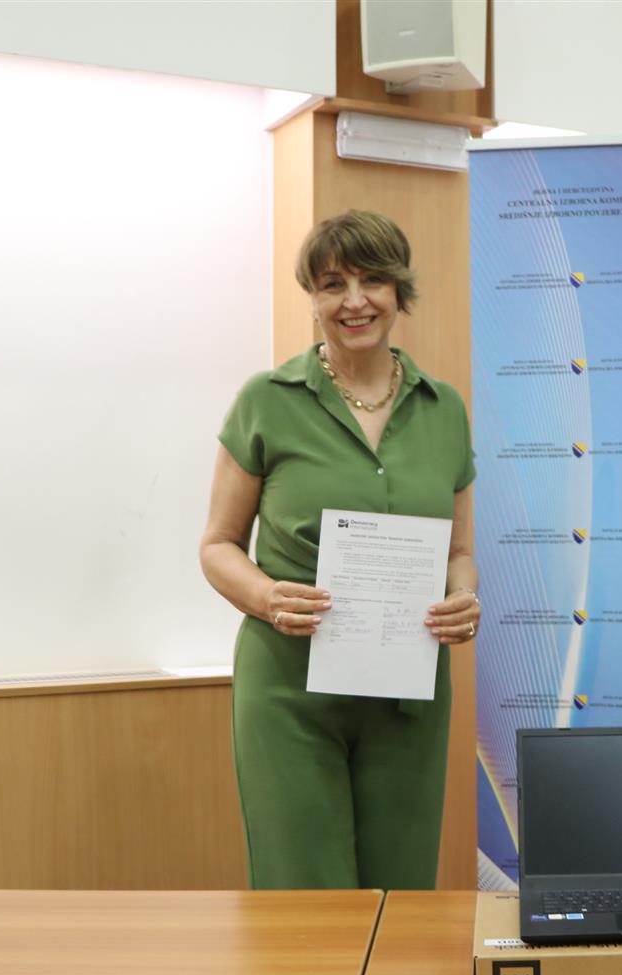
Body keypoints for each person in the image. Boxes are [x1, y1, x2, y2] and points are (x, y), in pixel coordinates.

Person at [199, 210, 478, 889]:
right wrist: (266, 597)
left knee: (400, 895)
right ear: (313, 299)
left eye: (371, 280)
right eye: (332, 285)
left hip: (407, 689)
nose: (354, 301)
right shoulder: (267, 400)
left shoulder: (444, 409)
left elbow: (459, 550)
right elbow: (218, 546)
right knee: (304, 897)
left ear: (398, 290)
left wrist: (464, 596)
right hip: (289, 687)